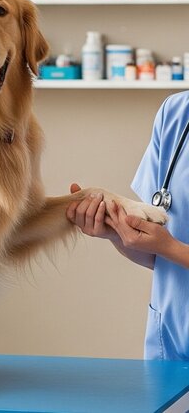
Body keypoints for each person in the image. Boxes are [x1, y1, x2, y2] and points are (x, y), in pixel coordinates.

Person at [66, 90, 189, 361]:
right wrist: (118, 233)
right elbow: (158, 255)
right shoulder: (177, 113)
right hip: (172, 351)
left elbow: (168, 247)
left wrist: (170, 247)